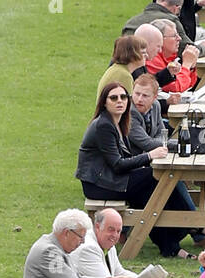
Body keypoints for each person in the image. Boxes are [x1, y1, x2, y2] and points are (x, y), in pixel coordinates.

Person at [76, 84, 195, 259]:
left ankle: (170, 245)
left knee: (147, 195)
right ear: (104, 102)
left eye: (123, 97)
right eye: (113, 98)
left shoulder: (119, 121)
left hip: (112, 179)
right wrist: (149, 156)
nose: (119, 102)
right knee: (156, 176)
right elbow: (117, 164)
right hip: (99, 184)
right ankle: (192, 223)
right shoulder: (103, 125)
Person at [122, 0, 198, 55]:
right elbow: (188, 48)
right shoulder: (170, 21)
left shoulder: (131, 22)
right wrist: (204, 47)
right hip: (154, 65)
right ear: (177, 9)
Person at [146, 19, 198, 95]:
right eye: (174, 36)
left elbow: (189, 84)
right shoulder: (152, 59)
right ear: (160, 39)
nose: (179, 38)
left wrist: (191, 67)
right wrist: (186, 65)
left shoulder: (169, 57)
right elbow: (175, 89)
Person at [96, 33, 148, 99]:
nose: (147, 56)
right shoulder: (124, 76)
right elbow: (128, 106)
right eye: (143, 53)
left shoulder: (117, 69)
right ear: (132, 55)